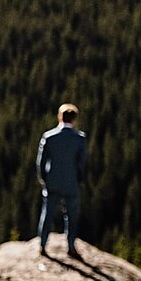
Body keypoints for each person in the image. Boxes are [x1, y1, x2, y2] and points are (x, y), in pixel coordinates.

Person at [37, 101, 88, 255]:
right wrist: (79, 180)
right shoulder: (80, 139)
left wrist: (44, 179)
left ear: (60, 117)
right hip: (72, 183)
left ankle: (43, 245)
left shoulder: (49, 137)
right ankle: (71, 246)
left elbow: (41, 162)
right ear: (74, 119)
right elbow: (82, 163)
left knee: (48, 215)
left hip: (52, 182)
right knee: (72, 216)